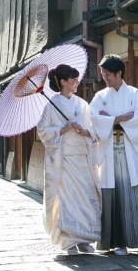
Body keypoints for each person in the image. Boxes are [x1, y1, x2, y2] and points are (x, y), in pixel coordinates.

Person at [90, 54, 138, 256]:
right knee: (114, 198)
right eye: (103, 74)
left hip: (131, 151)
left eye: (108, 74)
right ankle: (117, 243)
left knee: (136, 196)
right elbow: (94, 119)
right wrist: (121, 118)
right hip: (110, 152)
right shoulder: (100, 97)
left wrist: (110, 120)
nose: (105, 78)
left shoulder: (135, 95)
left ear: (119, 73)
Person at [35, 64, 101, 256]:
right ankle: (69, 242)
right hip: (64, 161)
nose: (76, 82)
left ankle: (85, 239)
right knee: (67, 201)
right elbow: (43, 131)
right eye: (73, 79)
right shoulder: (50, 106)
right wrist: (62, 130)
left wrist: (85, 131)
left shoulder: (83, 104)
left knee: (86, 200)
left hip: (82, 159)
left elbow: (93, 128)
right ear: (63, 82)